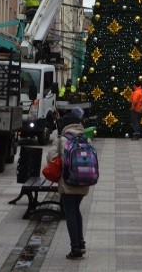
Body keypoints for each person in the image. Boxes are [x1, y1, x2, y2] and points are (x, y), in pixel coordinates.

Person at [48, 106, 92, 260]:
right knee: (76, 210)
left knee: (70, 214)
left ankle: (75, 248)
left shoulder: (61, 140)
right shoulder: (86, 138)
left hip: (67, 183)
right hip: (83, 181)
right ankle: (80, 242)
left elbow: (51, 159)